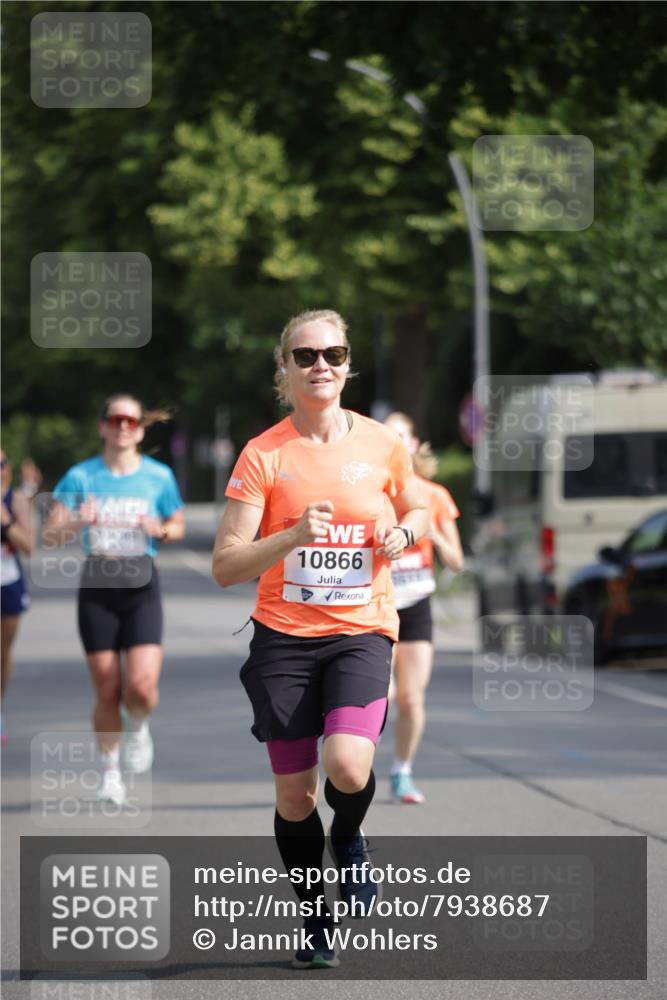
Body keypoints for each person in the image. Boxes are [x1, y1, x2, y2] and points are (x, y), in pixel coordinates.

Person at [213, 310, 428, 969]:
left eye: (331, 353)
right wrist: (290, 537)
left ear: (347, 361)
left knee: (348, 766)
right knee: (294, 796)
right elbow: (225, 564)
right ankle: (314, 916)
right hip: (283, 639)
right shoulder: (263, 453)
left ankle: (353, 836)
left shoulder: (381, 444)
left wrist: (406, 533)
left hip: (362, 630)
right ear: (283, 368)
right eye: (304, 356)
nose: (320, 365)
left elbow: (417, 504)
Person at [43, 395, 185, 805]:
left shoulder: (158, 477)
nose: (123, 426)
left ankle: (138, 725)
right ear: (103, 426)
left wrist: (160, 529)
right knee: (107, 688)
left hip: (142, 583)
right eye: (115, 419)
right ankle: (110, 773)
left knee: (140, 689)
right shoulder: (80, 477)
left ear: (141, 429)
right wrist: (74, 522)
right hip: (98, 585)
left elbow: (175, 526)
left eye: (131, 421)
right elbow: (50, 536)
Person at [383, 412, 464, 805]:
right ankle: (353, 772)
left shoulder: (434, 497)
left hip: (416, 603)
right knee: (381, 696)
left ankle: (402, 771)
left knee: (412, 699)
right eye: (387, 436)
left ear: (413, 445)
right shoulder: (369, 492)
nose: (395, 443)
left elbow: (456, 561)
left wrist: (428, 530)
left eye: (401, 436)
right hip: (376, 606)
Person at [1, 448, 33, 742]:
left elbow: (29, 545)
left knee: (2, 653)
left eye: (1, 464)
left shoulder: (17, 500)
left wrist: (6, 521)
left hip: (8, 582)